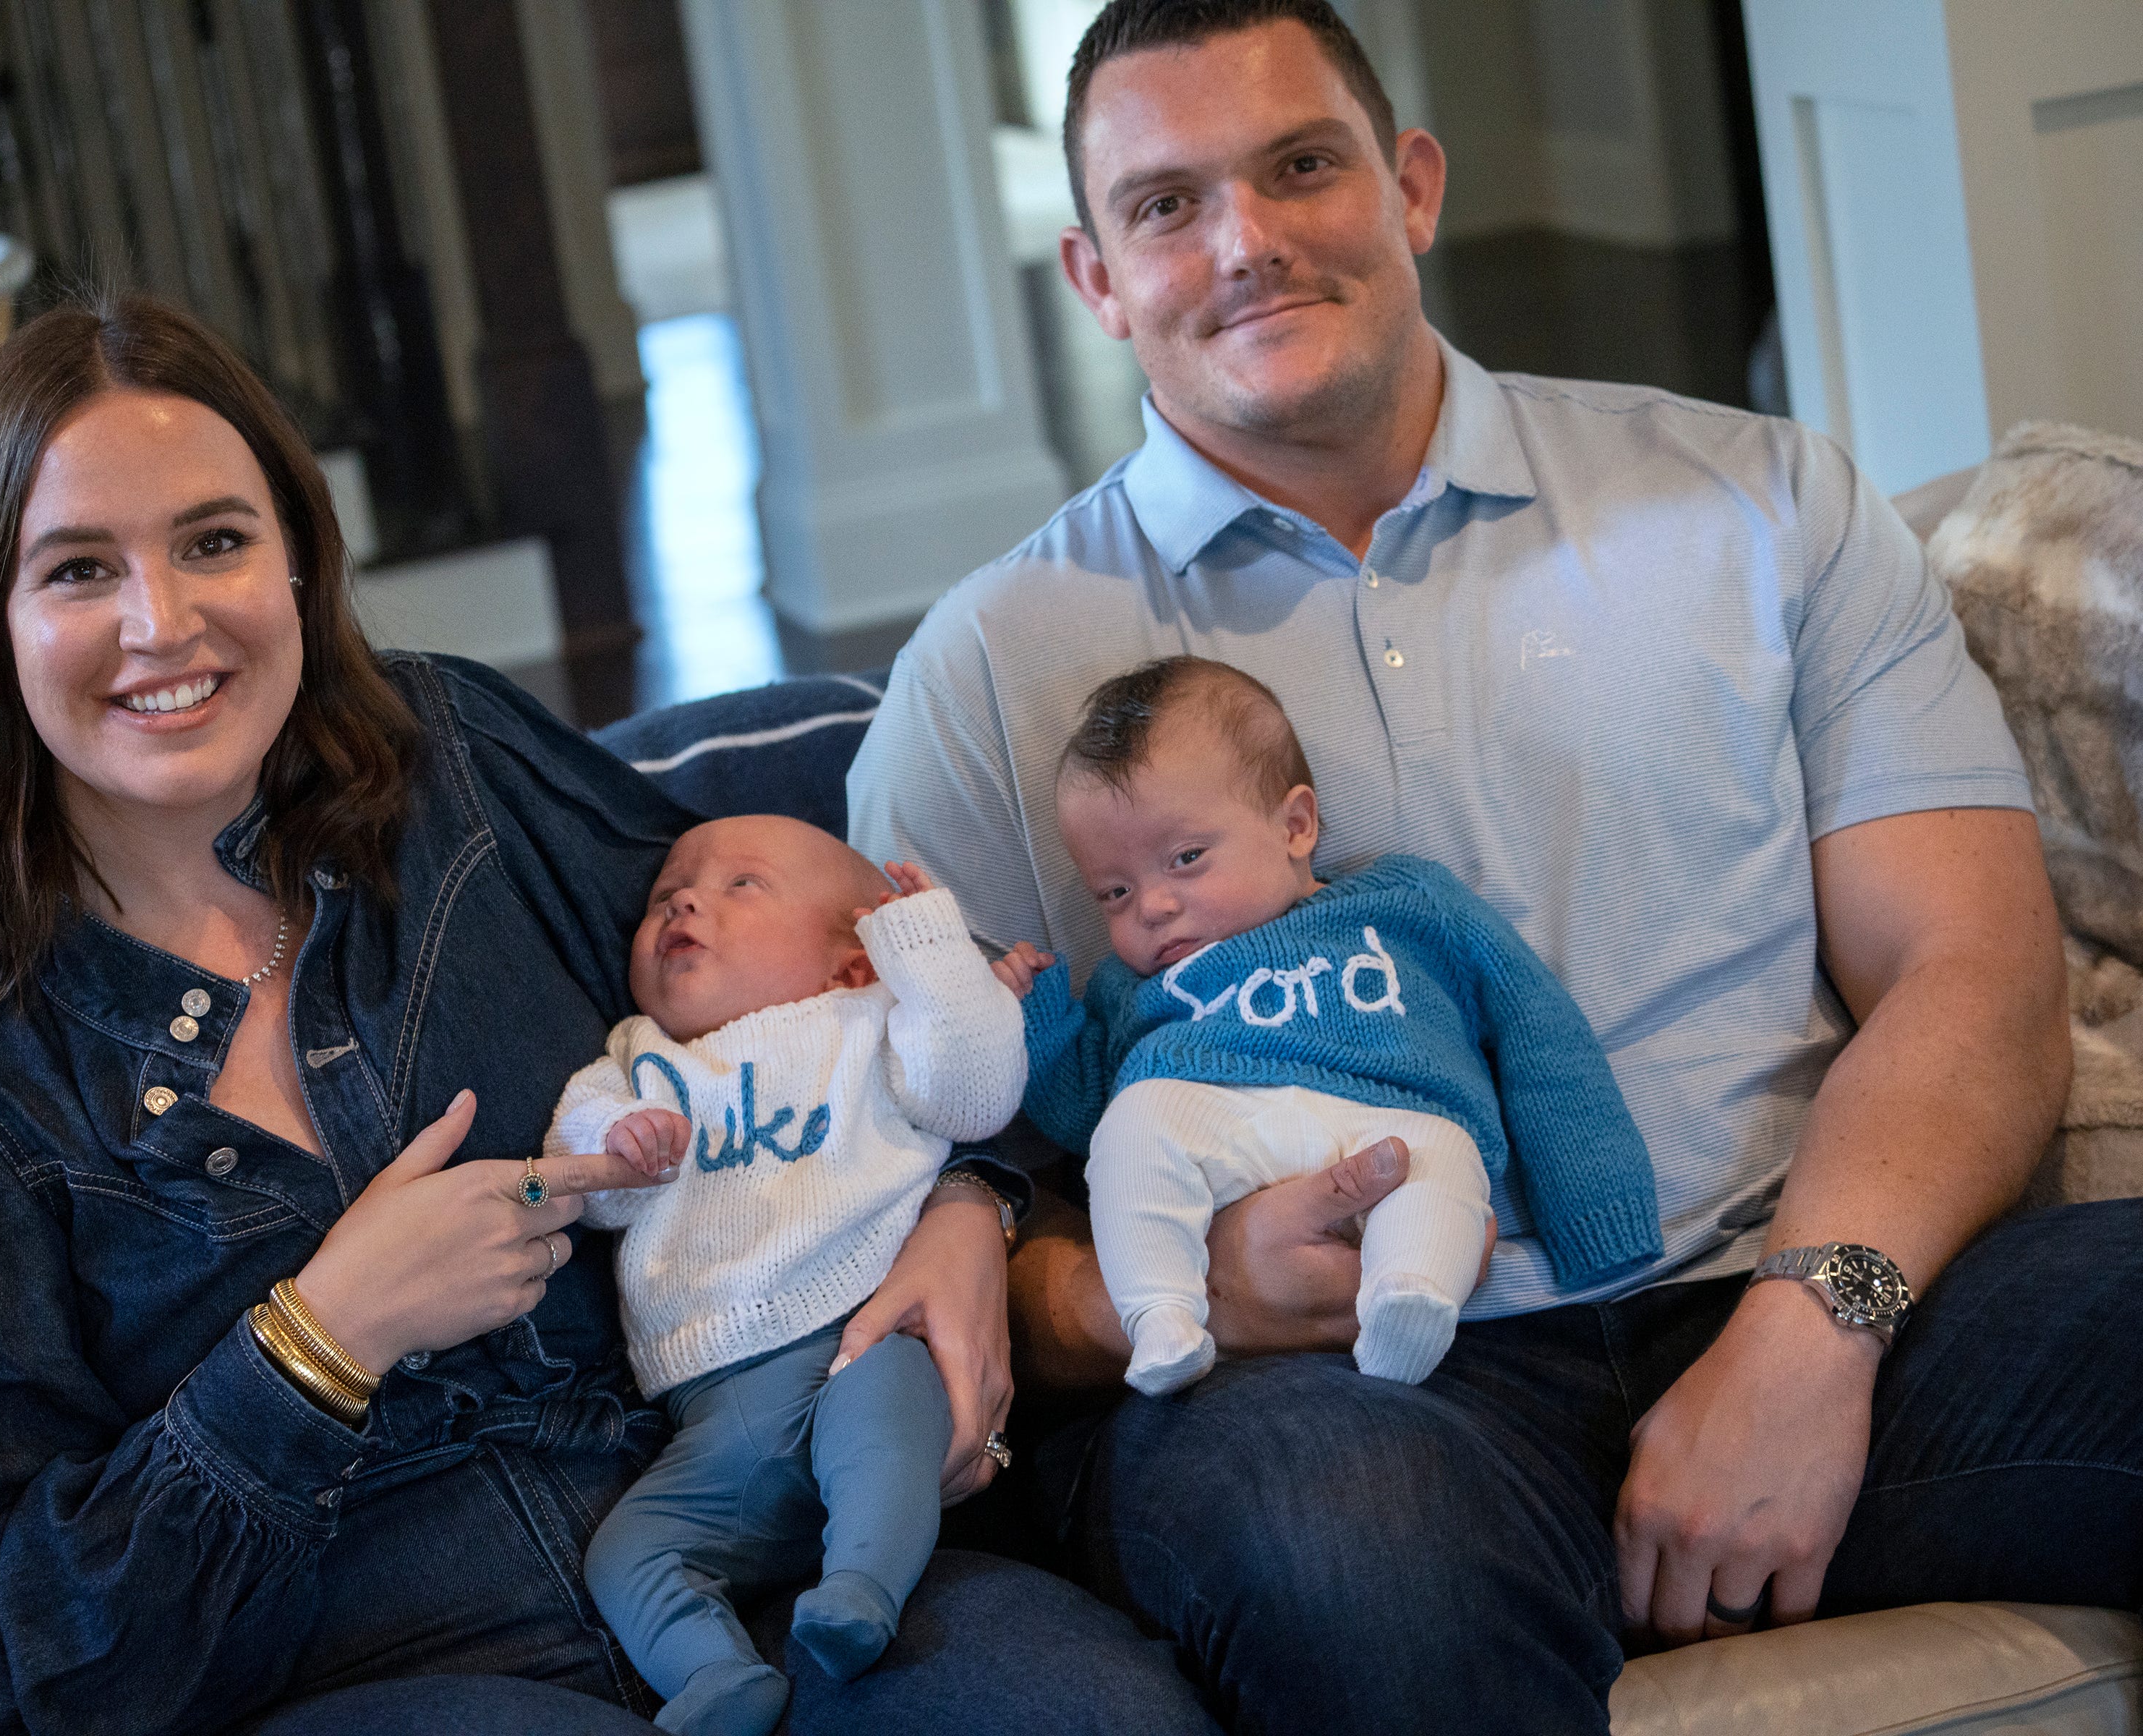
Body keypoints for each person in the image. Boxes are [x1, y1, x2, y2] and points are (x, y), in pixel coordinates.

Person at [847, 1, 2143, 1730]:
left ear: (1412, 183)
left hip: (1794, 1275)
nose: (1245, 241)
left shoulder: (1755, 502)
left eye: (1301, 164)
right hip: (1336, 1388)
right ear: (1094, 276)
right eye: (1166, 205)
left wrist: (1813, 1323)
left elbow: (1973, 966)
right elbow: (917, 1188)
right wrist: (1159, 1289)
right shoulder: (985, 669)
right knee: (1353, 1554)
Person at [0, 295, 1217, 1736]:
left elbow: (808, 985)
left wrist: (966, 1208)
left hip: (754, 1552)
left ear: (296, 561)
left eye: (215, 541)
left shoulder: (456, 772)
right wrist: (318, 1341)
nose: (162, 622)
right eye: (78, 568)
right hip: (383, 1681)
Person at [1007, 656, 1659, 1392]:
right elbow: (1079, 1115)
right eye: (1115, 891)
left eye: (1187, 858)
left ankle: (1408, 1299)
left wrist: (1597, 1213)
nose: (1153, 906)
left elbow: (1540, 1035)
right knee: (1132, 1126)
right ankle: (1160, 1315)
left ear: (1295, 825)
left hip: (1396, 1119)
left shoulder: (1407, 904)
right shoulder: (1133, 987)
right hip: (1222, 1128)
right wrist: (1037, 1018)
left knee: (1445, 1159)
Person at [550, 820, 1023, 1735]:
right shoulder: (637, 1059)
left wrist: (928, 957)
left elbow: (976, 1094)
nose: (684, 900)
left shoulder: (876, 1023)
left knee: (885, 1432)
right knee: (628, 1552)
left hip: (862, 1344)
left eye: (742, 886)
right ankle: (718, 1676)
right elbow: (577, 1174)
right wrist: (613, 1149)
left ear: (853, 959)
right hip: (714, 1415)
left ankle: (859, 1591)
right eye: (667, 893)